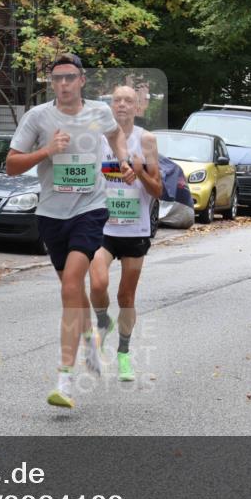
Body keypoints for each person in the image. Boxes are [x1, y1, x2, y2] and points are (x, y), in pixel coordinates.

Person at [6, 53, 131, 409]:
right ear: (53, 82)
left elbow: (116, 136)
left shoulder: (99, 112)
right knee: (71, 292)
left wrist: (121, 159)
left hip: (90, 209)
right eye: (57, 78)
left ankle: (64, 380)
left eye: (69, 77)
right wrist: (46, 150)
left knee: (73, 285)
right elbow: (12, 165)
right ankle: (91, 337)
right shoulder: (37, 117)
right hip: (51, 214)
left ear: (81, 81)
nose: (63, 84)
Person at [89, 86, 163, 382]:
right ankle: (102, 321)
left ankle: (123, 353)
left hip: (135, 228)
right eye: (116, 100)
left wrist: (140, 171)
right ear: (110, 106)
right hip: (102, 226)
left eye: (128, 100)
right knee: (97, 282)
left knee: (126, 296)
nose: (121, 104)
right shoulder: (96, 138)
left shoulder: (146, 140)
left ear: (138, 107)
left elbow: (158, 190)